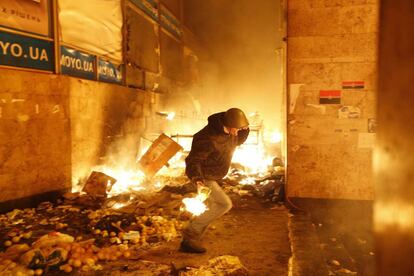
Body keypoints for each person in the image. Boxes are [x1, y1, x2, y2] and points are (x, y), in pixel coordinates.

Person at [180, 108, 250, 253]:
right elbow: (193, 160)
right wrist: (198, 180)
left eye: (239, 129)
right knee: (224, 204)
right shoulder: (206, 138)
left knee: (212, 207)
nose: (237, 133)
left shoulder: (231, 131)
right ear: (228, 124)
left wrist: (245, 129)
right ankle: (190, 233)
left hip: (215, 175)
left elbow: (238, 140)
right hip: (204, 176)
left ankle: (192, 238)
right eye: (235, 129)